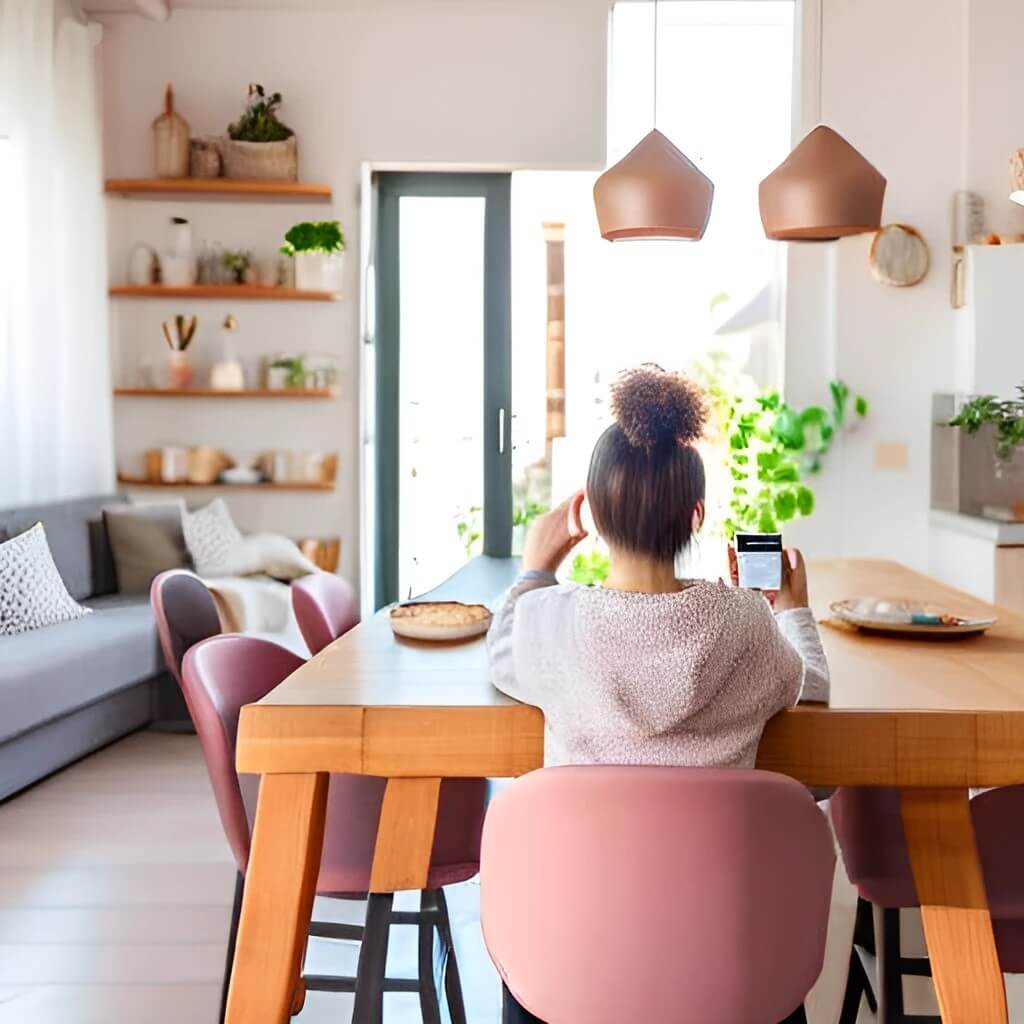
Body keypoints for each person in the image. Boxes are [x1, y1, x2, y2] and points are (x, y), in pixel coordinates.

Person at [487, 364, 829, 768]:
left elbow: (501, 654)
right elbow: (810, 690)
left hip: (585, 834)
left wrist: (535, 574)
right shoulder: (747, 622)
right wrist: (793, 610)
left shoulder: (552, 621)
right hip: (714, 835)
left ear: (592, 512)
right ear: (695, 515)